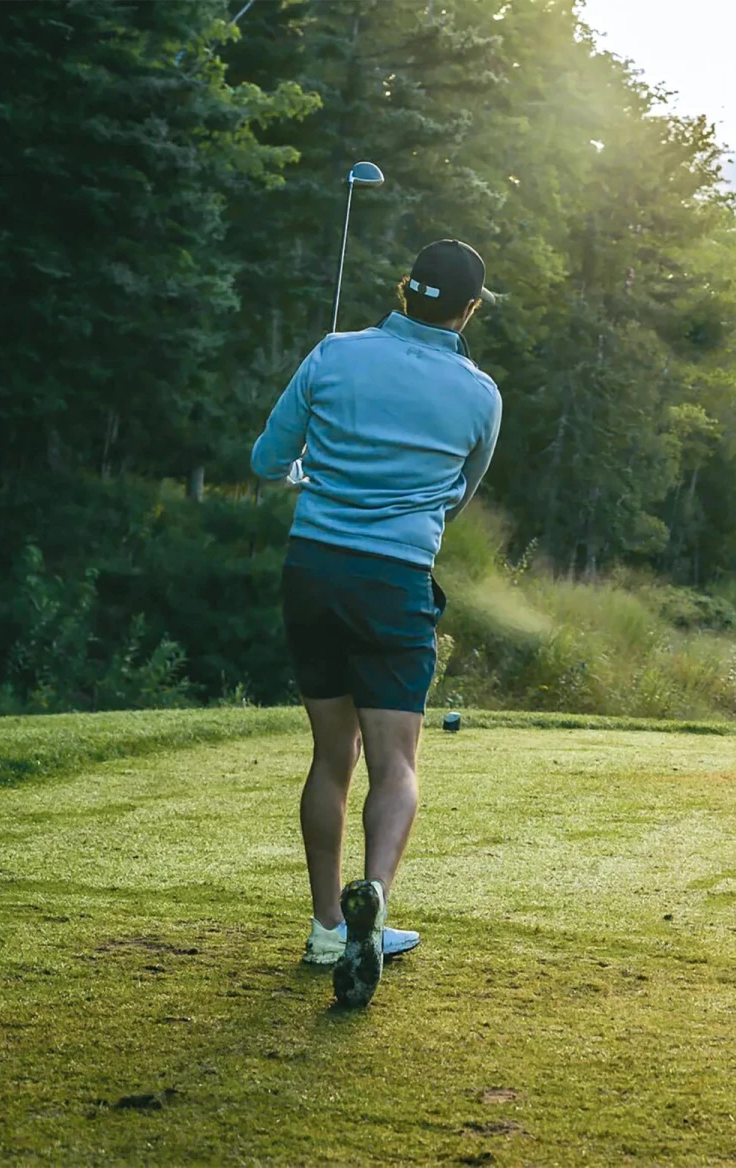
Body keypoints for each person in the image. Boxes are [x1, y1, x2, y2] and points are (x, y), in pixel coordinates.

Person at [251, 239, 501, 1008]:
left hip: (314, 569)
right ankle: (376, 902)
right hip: (393, 582)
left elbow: (268, 460)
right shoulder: (479, 393)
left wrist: (311, 472)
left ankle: (329, 928)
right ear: (467, 311)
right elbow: (459, 495)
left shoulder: (334, 354)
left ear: (403, 290)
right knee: (396, 764)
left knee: (333, 756)